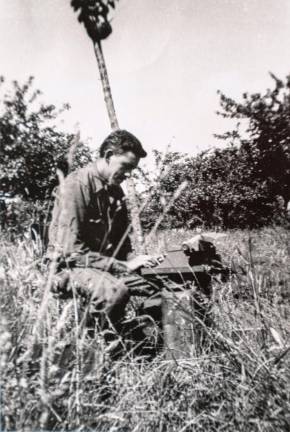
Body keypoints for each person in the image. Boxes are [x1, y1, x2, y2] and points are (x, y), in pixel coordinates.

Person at [47, 129, 161, 343]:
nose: (128, 175)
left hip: (101, 266)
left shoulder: (115, 192)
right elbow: (71, 252)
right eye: (125, 167)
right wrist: (122, 266)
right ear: (108, 156)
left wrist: (139, 262)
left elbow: (121, 245)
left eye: (132, 170)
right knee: (114, 291)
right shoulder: (75, 186)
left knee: (160, 286)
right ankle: (89, 347)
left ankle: (137, 337)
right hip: (68, 268)